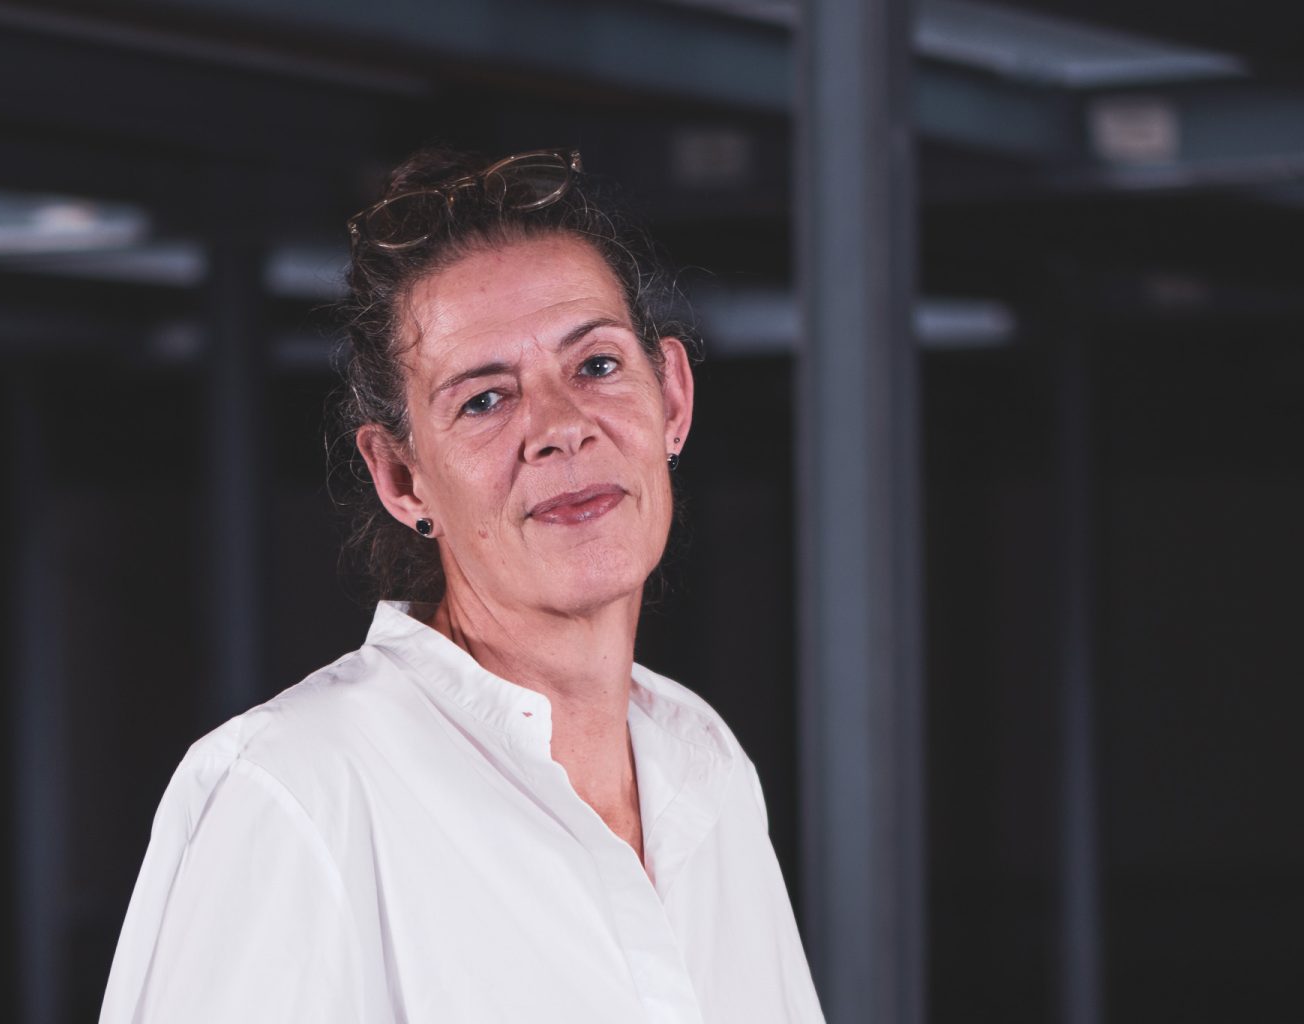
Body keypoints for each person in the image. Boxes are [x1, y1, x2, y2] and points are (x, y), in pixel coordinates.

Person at [99, 147, 824, 1023]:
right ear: (402, 477)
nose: (561, 427)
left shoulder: (705, 763)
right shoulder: (297, 792)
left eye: (596, 366)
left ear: (671, 397)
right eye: (484, 400)